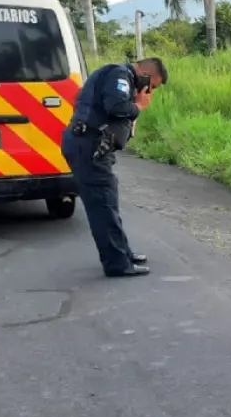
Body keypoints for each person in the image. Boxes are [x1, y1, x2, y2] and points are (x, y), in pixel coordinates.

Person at [62, 58, 168, 278]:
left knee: (108, 202)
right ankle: (116, 264)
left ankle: (123, 253)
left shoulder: (117, 76)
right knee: (103, 206)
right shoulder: (119, 75)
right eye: (151, 85)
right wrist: (138, 106)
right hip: (88, 148)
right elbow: (117, 106)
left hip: (92, 146)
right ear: (145, 73)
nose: (148, 91)